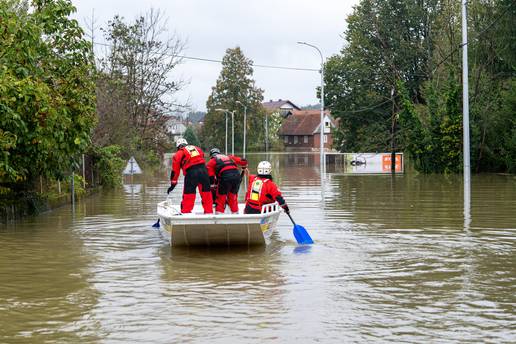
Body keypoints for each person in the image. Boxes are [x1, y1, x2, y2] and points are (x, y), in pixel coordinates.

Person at [168, 138, 213, 214]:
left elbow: (175, 171)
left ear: (178, 147)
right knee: (206, 193)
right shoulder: (197, 149)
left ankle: (186, 213)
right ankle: (209, 213)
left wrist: (173, 183)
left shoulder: (179, 153)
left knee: (189, 195)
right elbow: (201, 157)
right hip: (204, 172)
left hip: (191, 173)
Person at [206, 148, 248, 214]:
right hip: (236, 177)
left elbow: (211, 178)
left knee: (220, 198)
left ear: (211, 156)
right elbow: (244, 161)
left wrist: (213, 185)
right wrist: (244, 167)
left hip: (225, 178)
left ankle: (219, 215)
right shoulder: (229, 157)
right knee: (232, 197)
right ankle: (235, 213)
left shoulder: (212, 161)